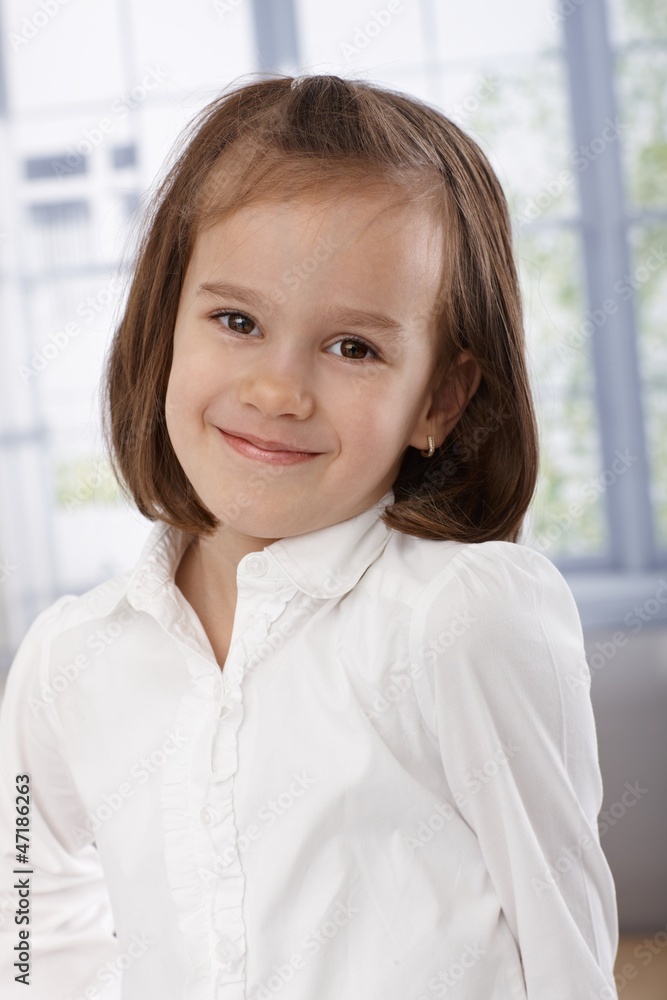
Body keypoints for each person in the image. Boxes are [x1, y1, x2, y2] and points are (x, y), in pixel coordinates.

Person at [0, 74, 619, 1000]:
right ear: (163, 328)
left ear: (439, 401)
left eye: (353, 348)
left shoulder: (460, 618)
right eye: (237, 321)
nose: (278, 390)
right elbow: (25, 905)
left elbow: (561, 938)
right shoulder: (67, 660)